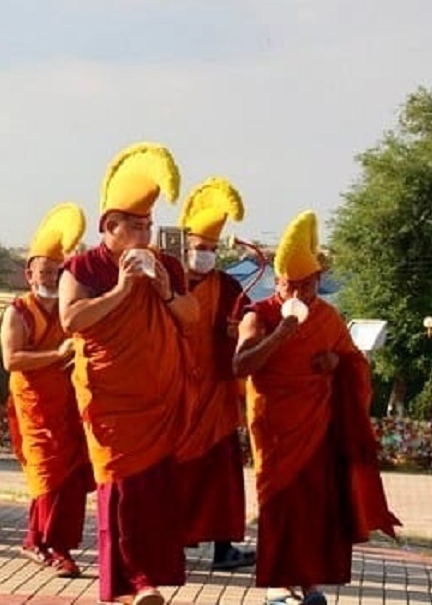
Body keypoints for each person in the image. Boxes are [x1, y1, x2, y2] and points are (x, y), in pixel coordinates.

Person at [234, 210, 399, 605]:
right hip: (275, 427)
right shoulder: (261, 315)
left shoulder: (328, 316)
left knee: (316, 506)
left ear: (319, 283)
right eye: (290, 286)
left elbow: (355, 363)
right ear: (277, 283)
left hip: (319, 426)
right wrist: (280, 334)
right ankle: (279, 583)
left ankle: (309, 582)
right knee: (280, 504)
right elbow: (240, 365)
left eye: (307, 287)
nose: (298, 295)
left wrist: (336, 363)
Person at [60, 143, 198, 605]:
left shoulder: (168, 265)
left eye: (147, 226)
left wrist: (162, 290)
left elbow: (190, 317)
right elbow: (72, 319)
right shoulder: (83, 267)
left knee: (154, 493)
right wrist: (122, 289)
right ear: (109, 228)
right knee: (120, 489)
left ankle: (150, 575)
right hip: (111, 398)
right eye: (134, 226)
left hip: (158, 399)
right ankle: (130, 581)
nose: (143, 235)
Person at [2, 203, 93, 579]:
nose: (50, 278)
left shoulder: (71, 307)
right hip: (36, 407)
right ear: (29, 274)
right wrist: (56, 354)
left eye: (57, 272)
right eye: (44, 271)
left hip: (71, 403)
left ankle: (39, 540)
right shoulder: (18, 311)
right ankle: (52, 547)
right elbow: (11, 360)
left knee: (68, 479)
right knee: (47, 474)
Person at [175, 178, 256, 570]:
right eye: (198, 249)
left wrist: (237, 329)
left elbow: (249, 316)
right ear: (184, 247)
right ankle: (175, 541)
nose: (204, 255)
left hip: (216, 394)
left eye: (210, 250)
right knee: (175, 474)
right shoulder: (167, 282)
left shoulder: (226, 284)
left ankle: (224, 549)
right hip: (174, 394)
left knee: (222, 474)